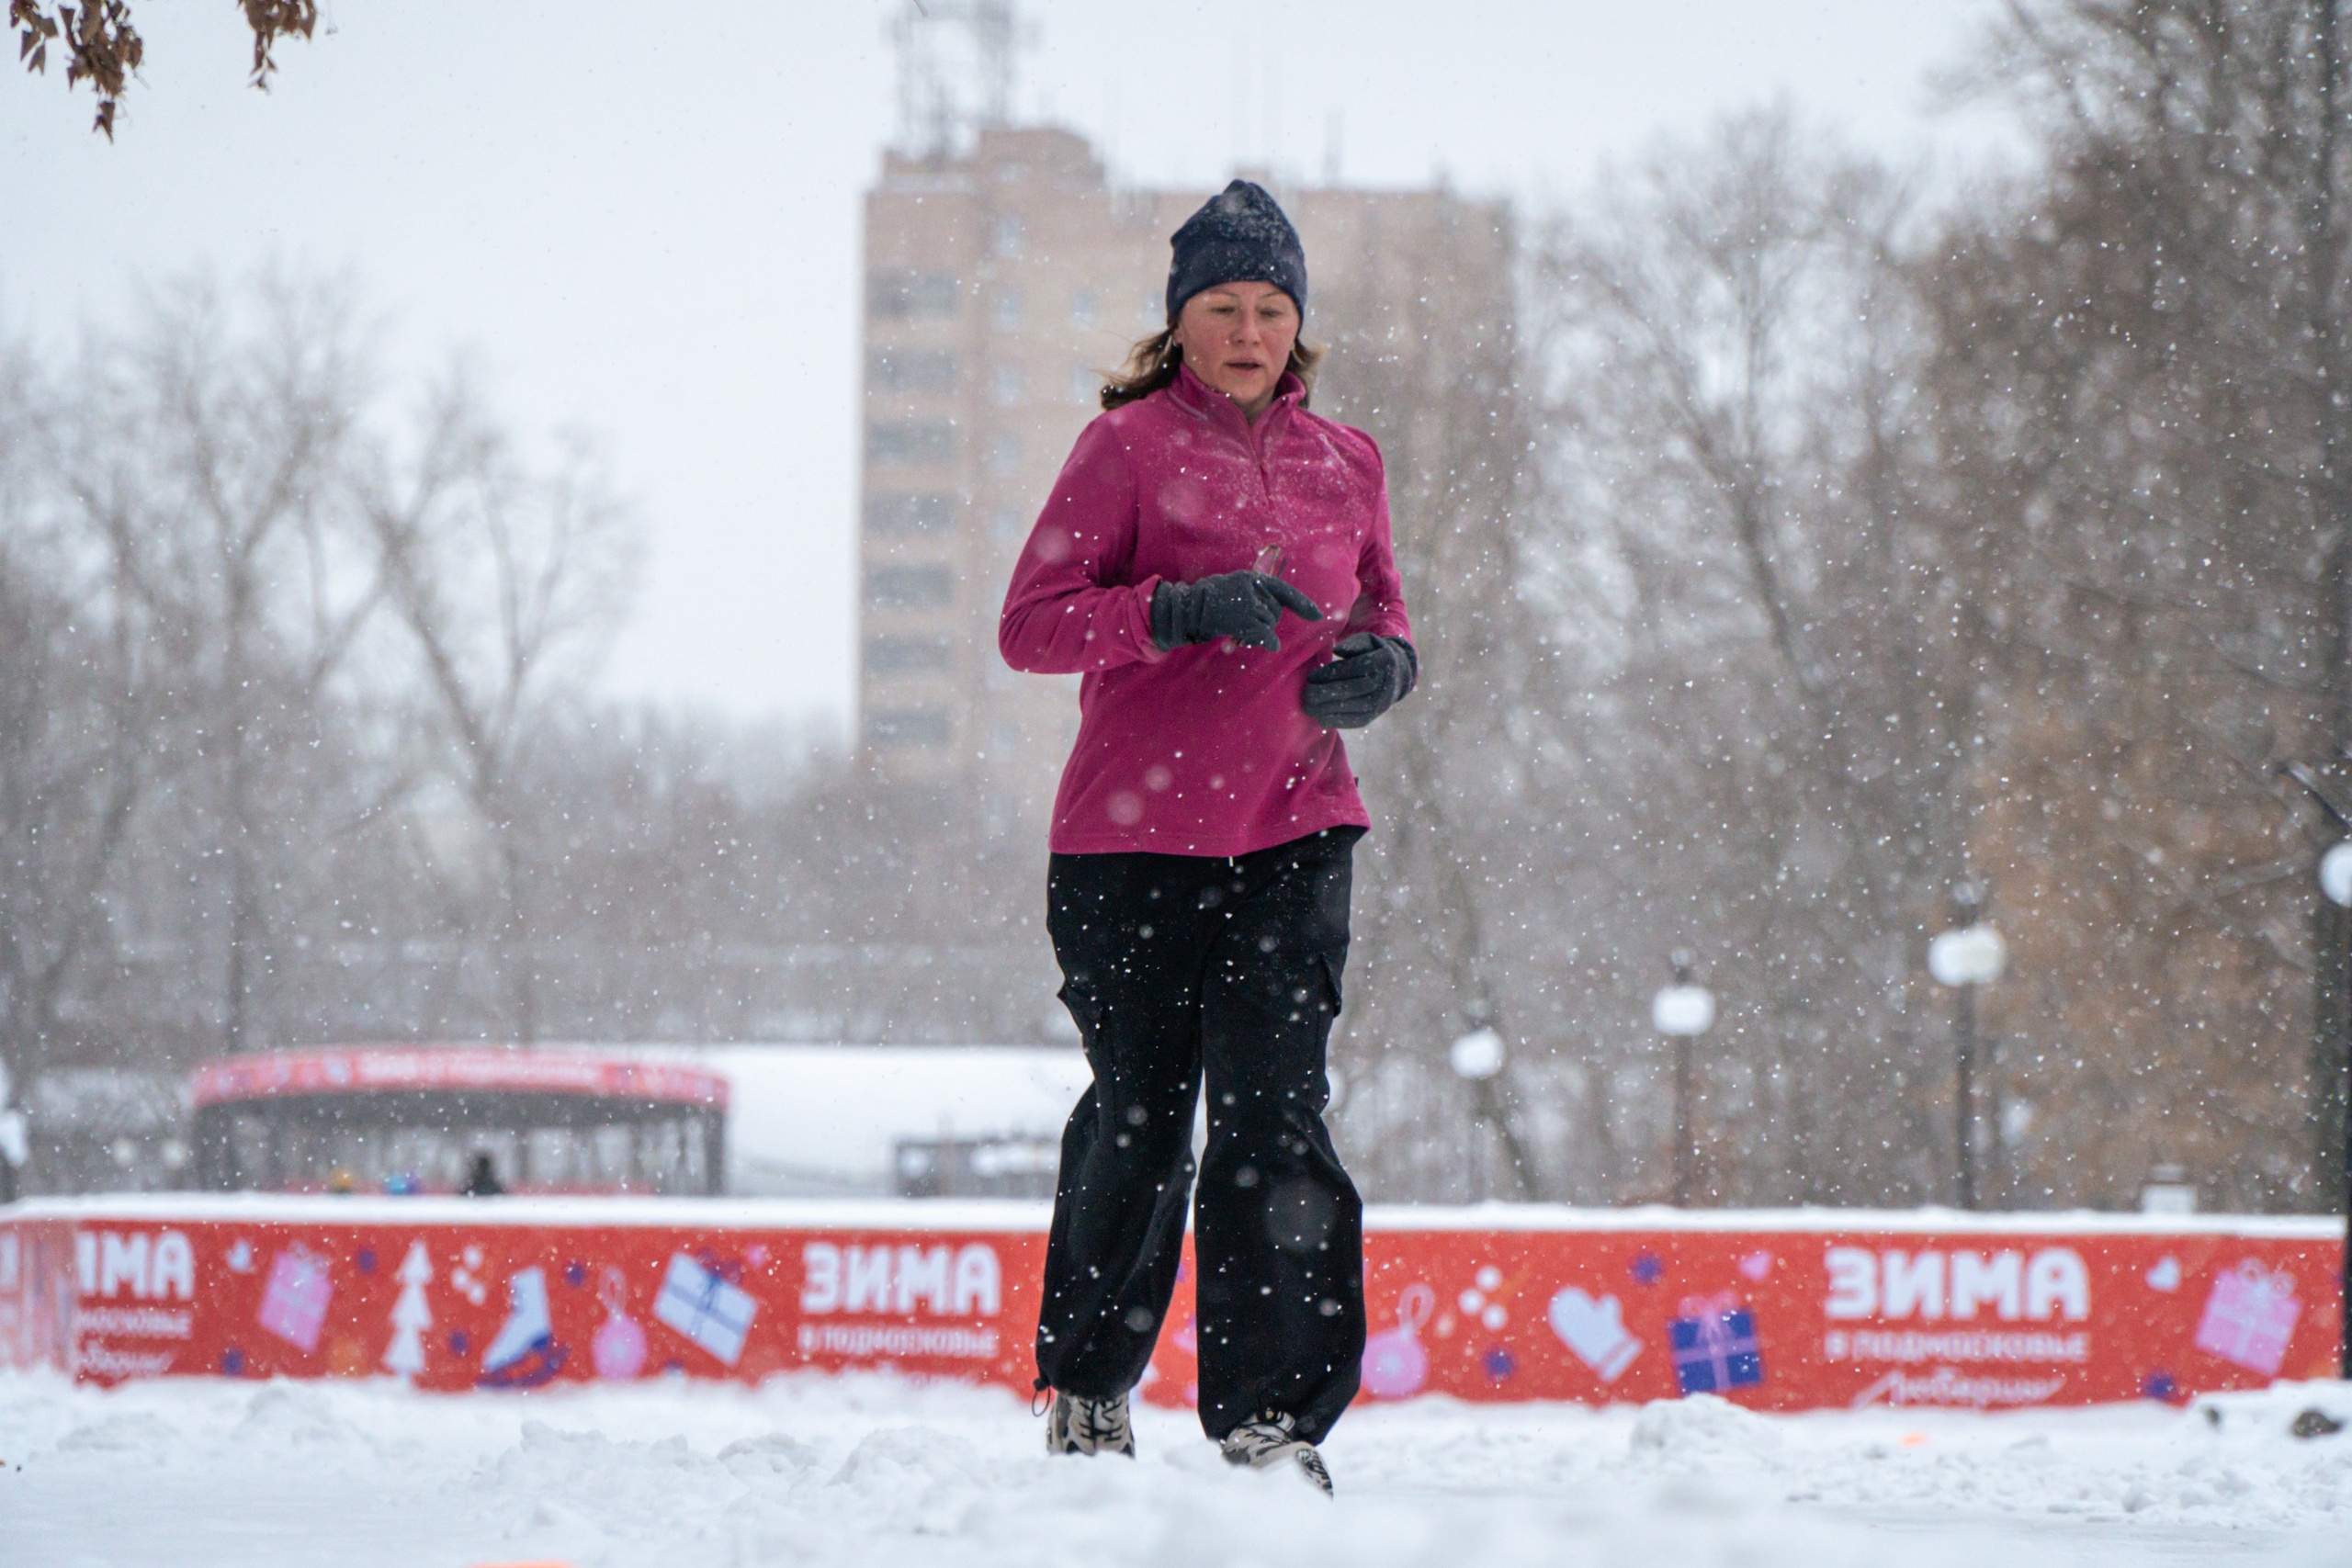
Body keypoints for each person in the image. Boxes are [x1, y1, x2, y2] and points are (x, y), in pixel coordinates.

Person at [999, 179, 1417, 1495]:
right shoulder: (1121, 450)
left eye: (1272, 308)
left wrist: (1387, 671)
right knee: (1142, 1111)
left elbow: (1386, 612)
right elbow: (1032, 625)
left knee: (1278, 1116)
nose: (1249, 330)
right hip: (1133, 847)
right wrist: (1170, 612)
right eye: (1222, 307)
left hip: (1297, 826)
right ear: (1181, 324)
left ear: (1300, 325)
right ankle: (1087, 1384)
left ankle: (1271, 1418)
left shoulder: (1348, 459)